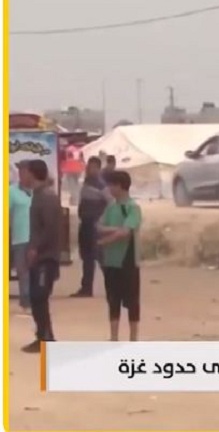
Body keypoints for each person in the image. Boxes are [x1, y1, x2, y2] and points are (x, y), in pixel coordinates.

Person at [98, 171, 143, 341]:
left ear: (120, 186)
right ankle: (114, 337)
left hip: (128, 260)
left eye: (112, 185)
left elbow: (126, 233)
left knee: (132, 301)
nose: (109, 189)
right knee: (113, 299)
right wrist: (117, 229)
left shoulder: (133, 207)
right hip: (111, 260)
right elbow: (100, 227)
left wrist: (106, 240)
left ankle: (133, 338)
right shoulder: (110, 207)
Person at [22, 159, 62, 353]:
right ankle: (43, 336)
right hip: (39, 256)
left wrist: (35, 248)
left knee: (40, 296)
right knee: (36, 297)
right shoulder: (38, 195)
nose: (22, 176)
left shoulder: (46, 197)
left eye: (24, 172)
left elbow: (50, 228)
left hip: (46, 257)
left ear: (33, 173)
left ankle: (46, 338)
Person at [72, 156, 111, 298]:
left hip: (94, 225)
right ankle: (86, 288)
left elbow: (111, 204)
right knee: (87, 257)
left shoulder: (101, 185)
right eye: (89, 167)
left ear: (99, 169)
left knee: (99, 256)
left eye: (93, 167)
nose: (90, 170)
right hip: (85, 223)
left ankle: (114, 284)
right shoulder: (86, 182)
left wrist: (101, 221)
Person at [9, 161, 32, 312]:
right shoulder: (11, 191)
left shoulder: (38, 191)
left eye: (25, 171)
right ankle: (26, 301)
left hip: (36, 238)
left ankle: (36, 299)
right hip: (20, 237)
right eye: (20, 171)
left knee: (36, 270)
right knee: (23, 271)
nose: (22, 174)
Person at [62, 142, 85, 206]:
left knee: (72, 186)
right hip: (78, 169)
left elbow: (64, 160)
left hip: (69, 169)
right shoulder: (79, 150)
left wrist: (63, 169)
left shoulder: (67, 150)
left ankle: (74, 200)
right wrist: (83, 168)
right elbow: (82, 160)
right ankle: (76, 199)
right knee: (76, 185)